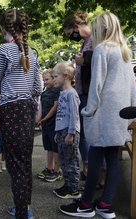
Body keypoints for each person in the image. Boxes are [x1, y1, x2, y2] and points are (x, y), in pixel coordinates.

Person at [59, 12, 136, 219]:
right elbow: (132, 87)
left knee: (95, 155)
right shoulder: (124, 50)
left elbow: (97, 85)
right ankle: (105, 205)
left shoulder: (102, 49)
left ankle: (85, 205)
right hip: (121, 113)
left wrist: (88, 110)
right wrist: (132, 112)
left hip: (103, 112)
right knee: (112, 158)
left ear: (100, 29)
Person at [0, 8, 41, 219]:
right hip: (28, 109)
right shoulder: (32, 52)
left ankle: (21, 212)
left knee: (14, 163)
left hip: (11, 109)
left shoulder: (4, 49)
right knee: (25, 161)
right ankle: (25, 207)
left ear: (4, 27)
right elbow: (38, 88)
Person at [63, 11, 92, 180]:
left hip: (89, 94)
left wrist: (84, 61)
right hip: (82, 92)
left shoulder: (95, 40)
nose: (70, 37)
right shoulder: (85, 43)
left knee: (86, 134)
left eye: (69, 34)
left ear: (76, 27)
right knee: (82, 133)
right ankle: (87, 168)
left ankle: (91, 170)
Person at [52, 62, 81, 199]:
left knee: (71, 161)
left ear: (66, 76)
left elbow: (74, 115)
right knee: (64, 161)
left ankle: (74, 189)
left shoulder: (71, 94)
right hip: (62, 132)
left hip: (70, 133)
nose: (53, 79)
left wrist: (71, 133)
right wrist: (58, 132)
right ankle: (67, 185)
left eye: (55, 76)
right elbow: (61, 115)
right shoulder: (63, 94)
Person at [36, 69, 62, 182]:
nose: (45, 82)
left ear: (53, 79)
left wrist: (45, 118)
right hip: (45, 125)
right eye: (43, 80)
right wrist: (38, 119)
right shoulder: (44, 93)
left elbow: (55, 107)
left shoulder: (57, 91)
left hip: (53, 124)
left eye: (47, 79)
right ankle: (50, 168)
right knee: (48, 148)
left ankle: (57, 171)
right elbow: (40, 107)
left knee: (55, 148)